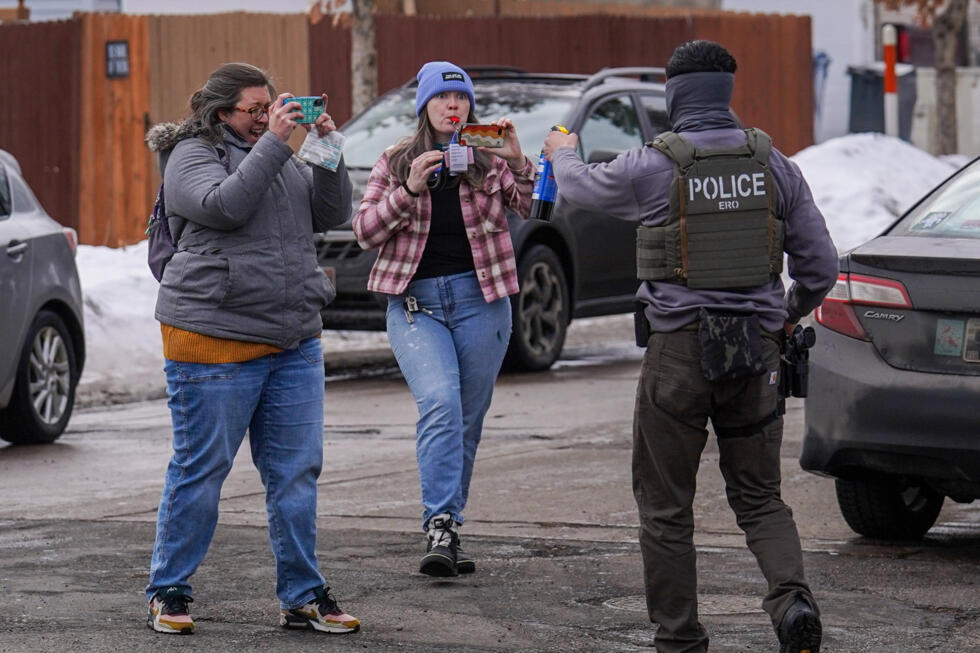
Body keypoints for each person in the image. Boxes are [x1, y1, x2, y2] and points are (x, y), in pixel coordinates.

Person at [543, 41, 837, 653]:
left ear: (675, 94)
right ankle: (792, 603)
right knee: (759, 497)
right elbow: (820, 267)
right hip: (756, 355)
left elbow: (579, 188)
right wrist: (784, 316)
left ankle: (680, 639)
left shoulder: (655, 164)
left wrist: (562, 152)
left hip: (678, 352)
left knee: (666, 505)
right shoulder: (774, 164)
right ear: (726, 92)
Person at [143, 62, 359, 636]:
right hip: (213, 336)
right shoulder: (190, 154)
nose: (269, 116)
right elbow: (223, 206)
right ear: (222, 113)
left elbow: (332, 213)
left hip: (291, 338)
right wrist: (275, 142)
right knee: (202, 469)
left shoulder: (279, 156)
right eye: (256, 109)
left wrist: (328, 147)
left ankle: (303, 595)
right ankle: (168, 590)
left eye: (273, 106)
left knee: (295, 473)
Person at [352, 61, 534, 577]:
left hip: (484, 301)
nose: (453, 106)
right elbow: (363, 231)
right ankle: (438, 524)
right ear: (425, 107)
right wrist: (408, 189)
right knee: (439, 402)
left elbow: (539, 210)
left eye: (461, 99)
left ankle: (449, 528)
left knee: (466, 420)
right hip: (417, 304)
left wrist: (519, 160)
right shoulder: (394, 160)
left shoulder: (489, 159)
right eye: (442, 98)